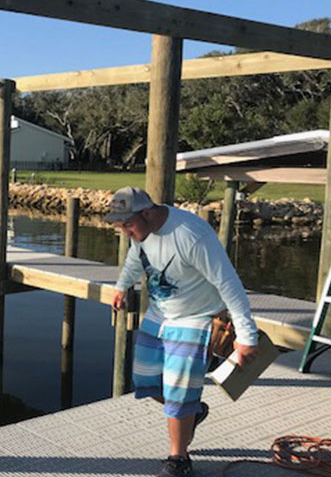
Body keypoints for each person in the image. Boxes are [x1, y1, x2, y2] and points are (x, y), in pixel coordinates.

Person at [106, 187, 259, 477]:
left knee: (178, 392)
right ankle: (194, 411)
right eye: (120, 225)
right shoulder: (141, 233)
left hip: (195, 318)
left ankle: (179, 459)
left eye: (127, 224)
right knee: (145, 380)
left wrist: (246, 336)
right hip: (160, 313)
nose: (124, 231)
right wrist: (121, 286)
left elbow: (229, 284)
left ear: (147, 213)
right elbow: (135, 258)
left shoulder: (191, 234)